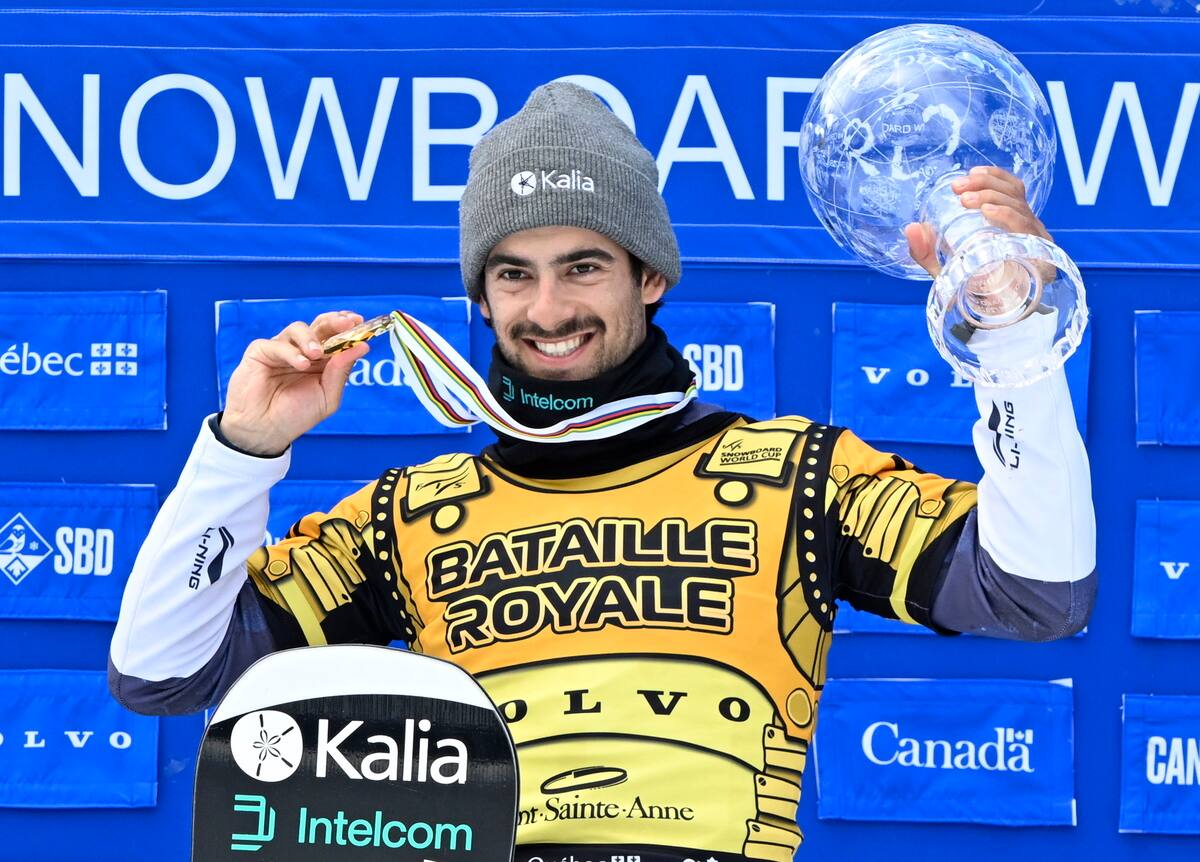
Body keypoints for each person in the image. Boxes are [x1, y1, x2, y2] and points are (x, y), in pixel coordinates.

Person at [109, 82, 1095, 861]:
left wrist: (1011, 336)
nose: (547, 309)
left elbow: (1035, 591)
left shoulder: (796, 476)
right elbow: (162, 669)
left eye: (583, 266)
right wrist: (241, 449)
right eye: (513, 273)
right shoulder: (411, 517)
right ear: (481, 302)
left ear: (650, 276)